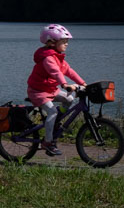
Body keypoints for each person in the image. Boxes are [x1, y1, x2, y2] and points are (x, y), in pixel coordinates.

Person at [27, 24, 86, 156]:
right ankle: (48, 143)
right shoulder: (48, 58)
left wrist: (83, 83)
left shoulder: (58, 57)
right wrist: (64, 85)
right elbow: (55, 72)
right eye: (64, 41)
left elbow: (69, 71)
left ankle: (56, 120)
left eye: (67, 41)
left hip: (50, 90)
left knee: (69, 99)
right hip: (38, 91)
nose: (67, 44)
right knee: (52, 111)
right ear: (52, 42)